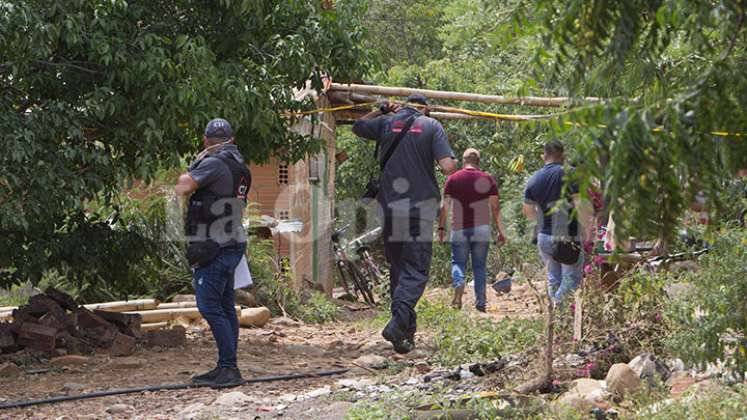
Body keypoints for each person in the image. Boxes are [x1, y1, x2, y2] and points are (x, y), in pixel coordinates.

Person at [352, 95, 456, 354]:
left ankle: (404, 335)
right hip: (419, 210)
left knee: (399, 268)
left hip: (389, 208)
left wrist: (379, 110)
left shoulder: (386, 123)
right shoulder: (432, 126)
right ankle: (398, 324)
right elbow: (448, 168)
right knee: (416, 268)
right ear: (426, 109)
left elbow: (357, 125)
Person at [175, 118, 252, 388]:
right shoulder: (241, 167)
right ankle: (227, 366)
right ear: (231, 139)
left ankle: (228, 368)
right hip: (232, 242)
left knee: (209, 306)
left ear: (206, 141)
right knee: (225, 306)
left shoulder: (213, 163)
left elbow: (182, 187)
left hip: (213, 246)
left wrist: (197, 161)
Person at [523, 140, 592, 304]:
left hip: (543, 237)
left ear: (543, 156)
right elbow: (581, 207)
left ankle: (555, 322)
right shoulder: (571, 174)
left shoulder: (533, 179)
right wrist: (588, 232)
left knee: (553, 279)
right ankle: (556, 307)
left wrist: (544, 220)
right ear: (564, 156)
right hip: (567, 236)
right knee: (571, 280)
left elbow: (528, 213)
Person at [438, 148, 507, 312]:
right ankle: (481, 303)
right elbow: (496, 208)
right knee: (479, 266)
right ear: (478, 161)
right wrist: (501, 232)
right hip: (482, 229)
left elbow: (444, 206)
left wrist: (441, 228)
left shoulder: (453, 179)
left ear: (463, 160)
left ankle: (459, 282)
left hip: (459, 228)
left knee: (458, 262)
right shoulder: (487, 179)